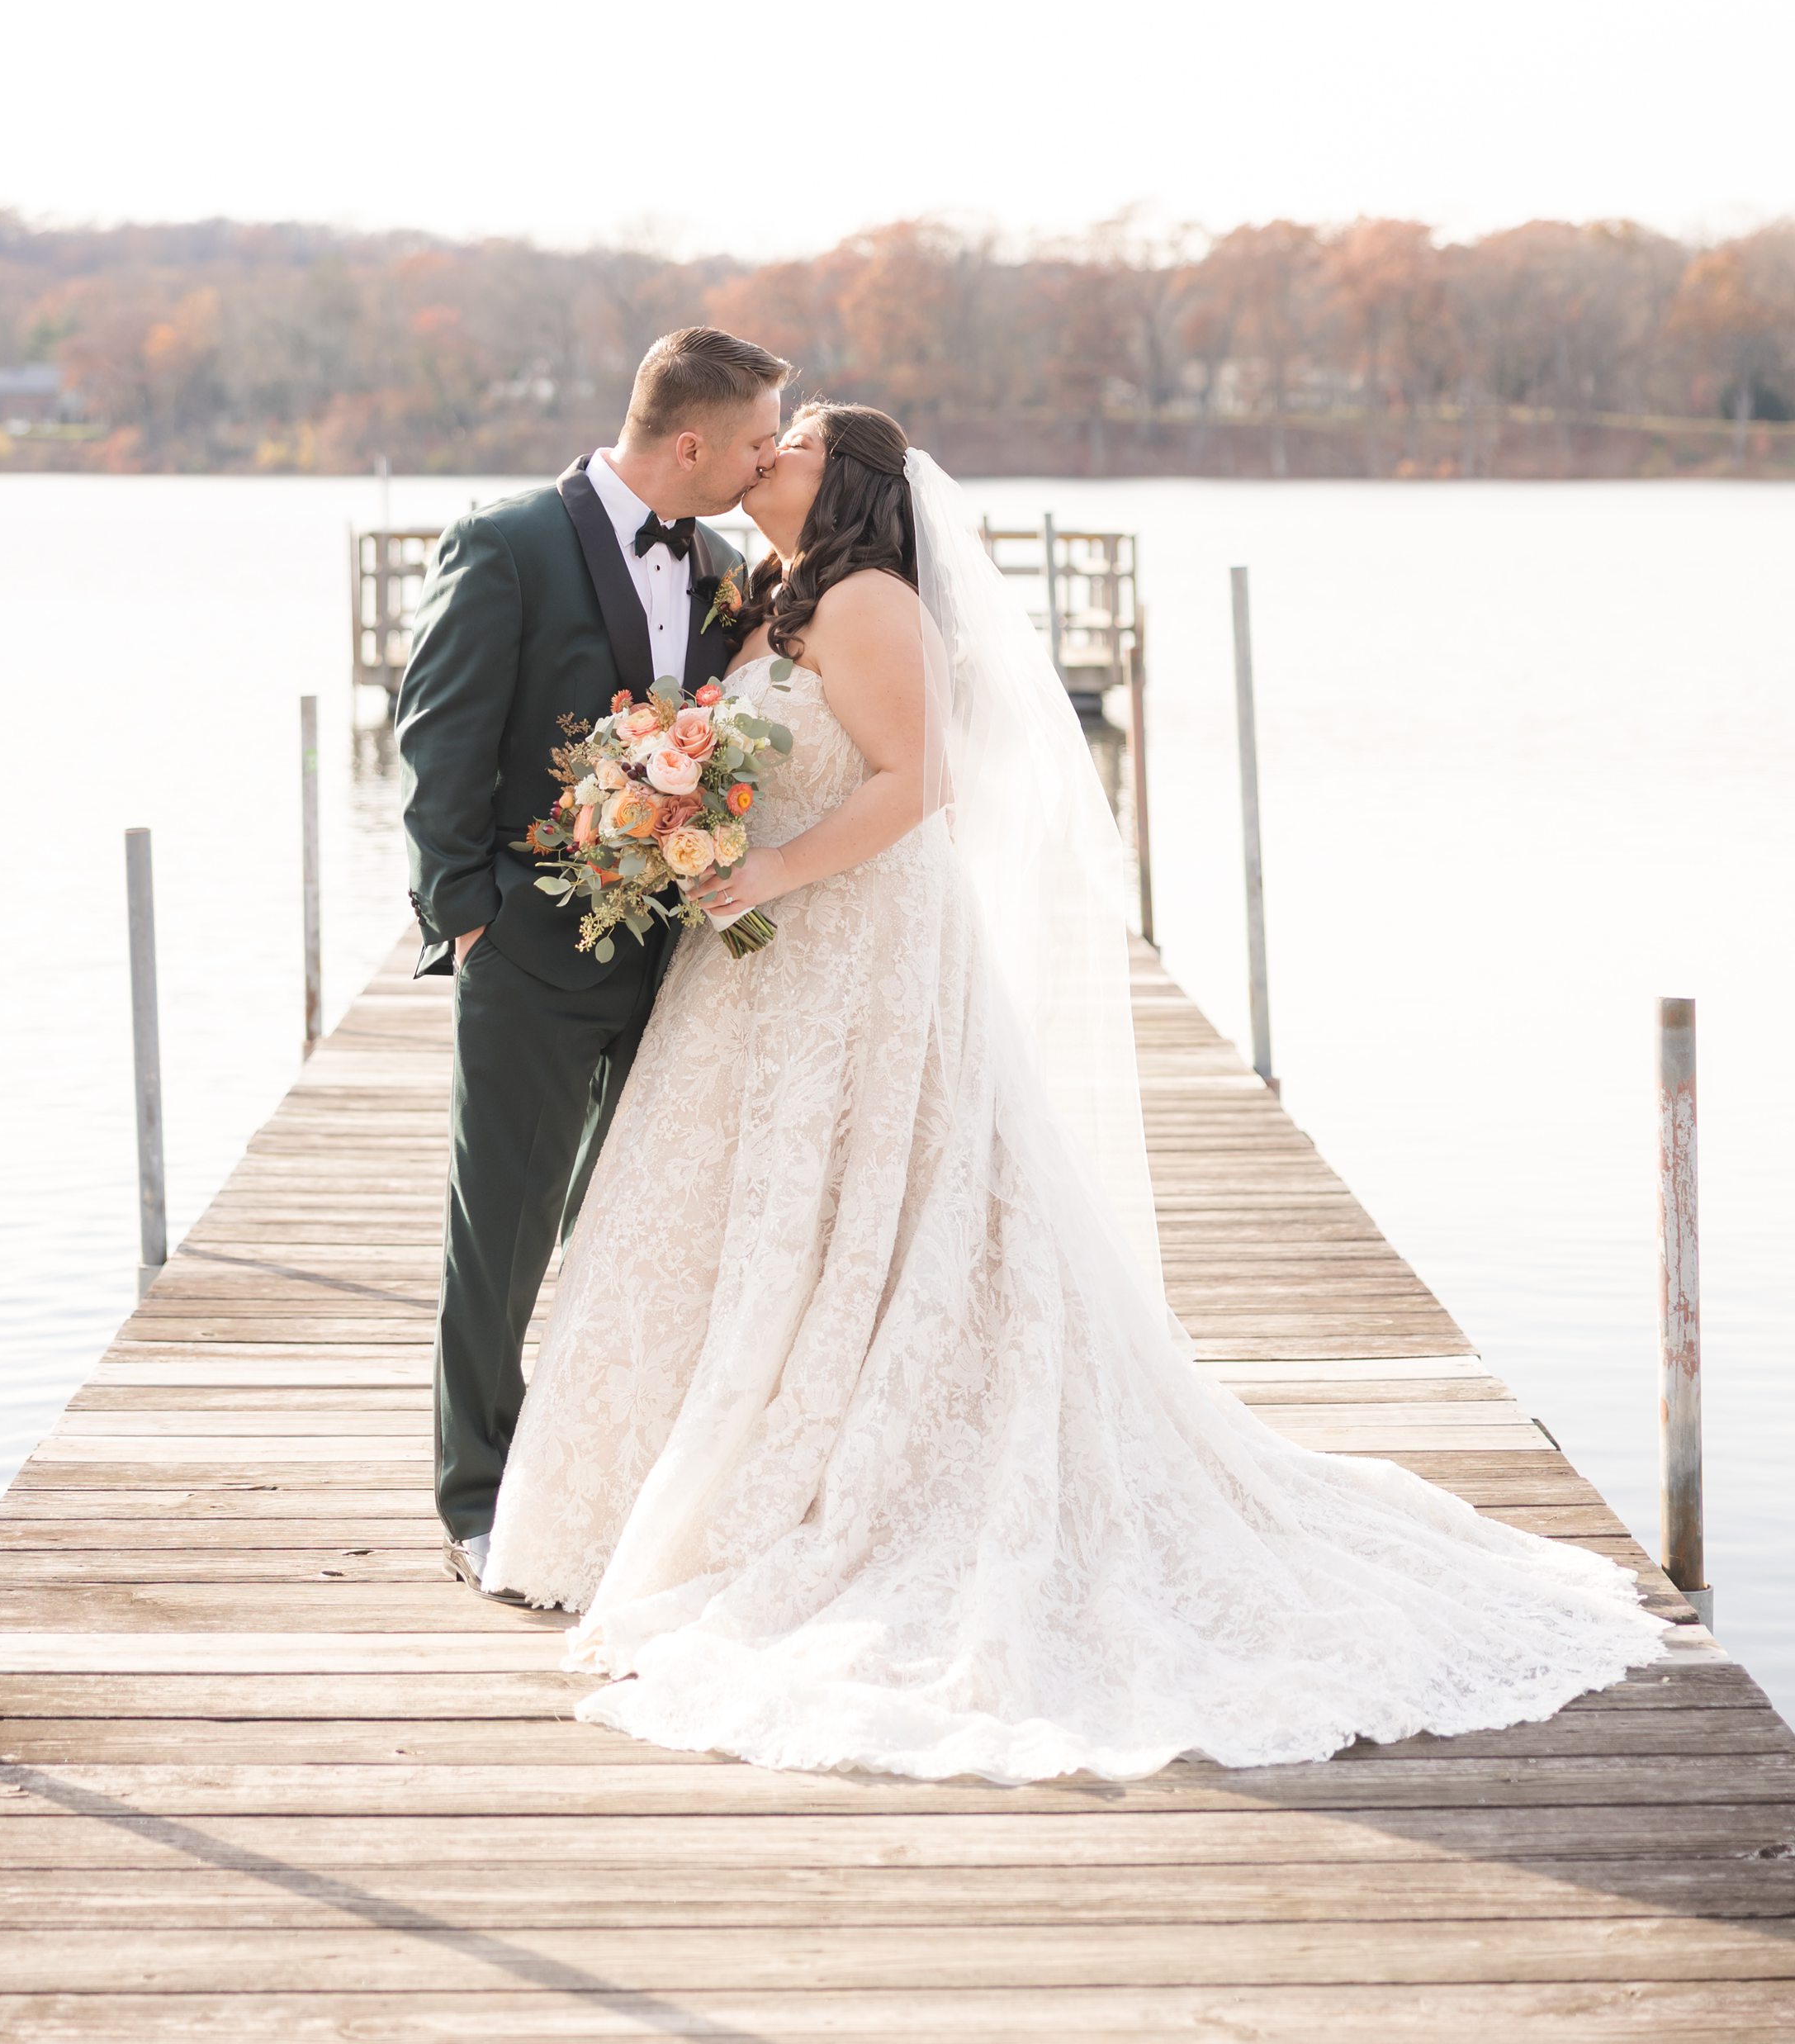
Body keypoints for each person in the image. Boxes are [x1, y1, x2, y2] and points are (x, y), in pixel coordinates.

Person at [481, 403, 1669, 1782]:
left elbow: (915, 783)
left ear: (846, 479)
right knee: (751, 1212)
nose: (768, 454)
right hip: (763, 958)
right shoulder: (771, 601)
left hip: (851, 944)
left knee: (882, 1197)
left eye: (793, 440)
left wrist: (772, 873)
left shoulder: (868, 600)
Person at [395, 325, 791, 1591]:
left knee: (632, 1227)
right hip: (528, 951)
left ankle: (604, 1472)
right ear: (692, 443)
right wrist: (470, 919)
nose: (764, 461)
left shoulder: (728, 564)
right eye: (755, 442)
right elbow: (437, 742)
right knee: (498, 1233)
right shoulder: (506, 545)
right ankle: (474, 1492)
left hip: (677, 961)